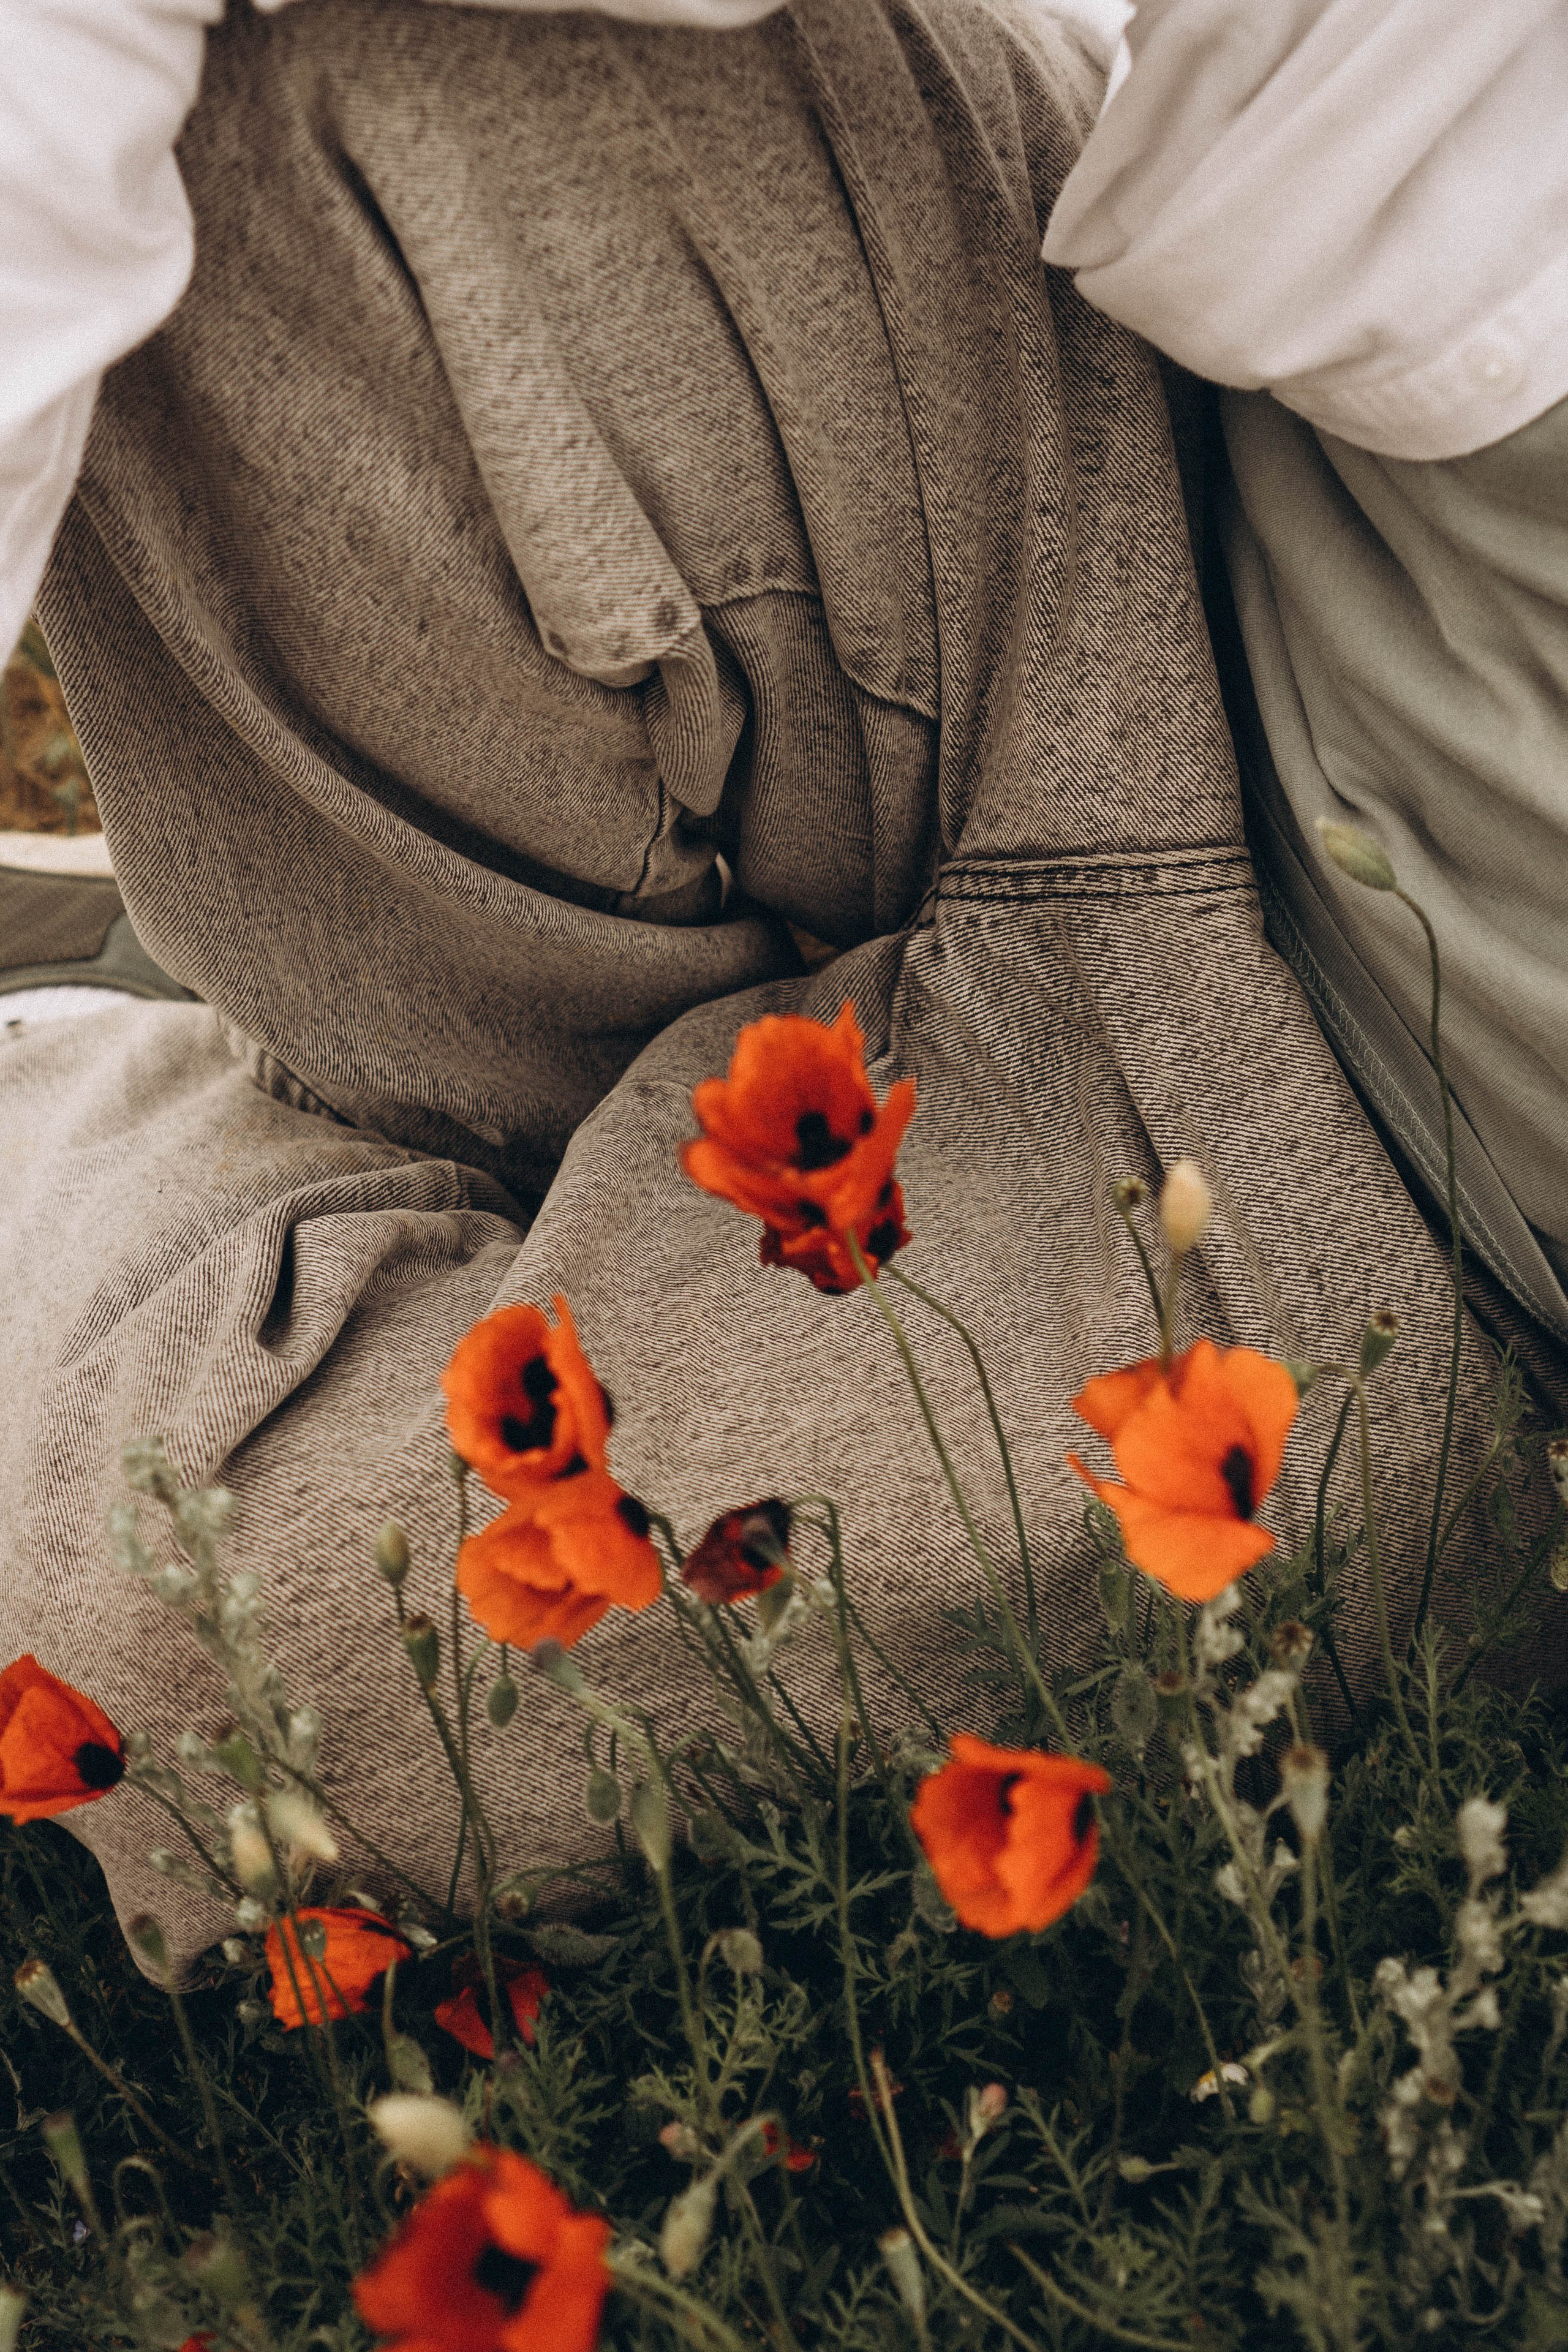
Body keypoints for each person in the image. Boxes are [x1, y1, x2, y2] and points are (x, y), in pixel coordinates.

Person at [0, 0, 1540, 1967]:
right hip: (1175, 498)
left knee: (185, 1609)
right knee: (314, 121)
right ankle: (336, 1084)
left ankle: (124, 1083)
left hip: (1385, 1172)